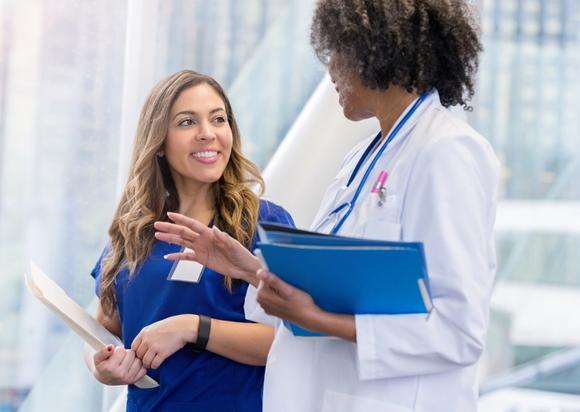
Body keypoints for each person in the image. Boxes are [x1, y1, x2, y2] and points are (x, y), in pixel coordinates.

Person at [155, 1, 500, 411]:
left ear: (372, 46)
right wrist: (248, 269)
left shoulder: (446, 152)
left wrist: (316, 320)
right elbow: (339, 286)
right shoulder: (361, 160)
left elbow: (457, 331)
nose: (331, 70)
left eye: (336, 51)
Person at [87, 70, 294, 412]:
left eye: (218, 119)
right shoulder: (132, 232)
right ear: (159, 142)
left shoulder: (265, 224)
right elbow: (103, 330)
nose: (207, 134)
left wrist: (192, 328)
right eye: (187, 122)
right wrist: (101, 365)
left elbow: (288, 339)